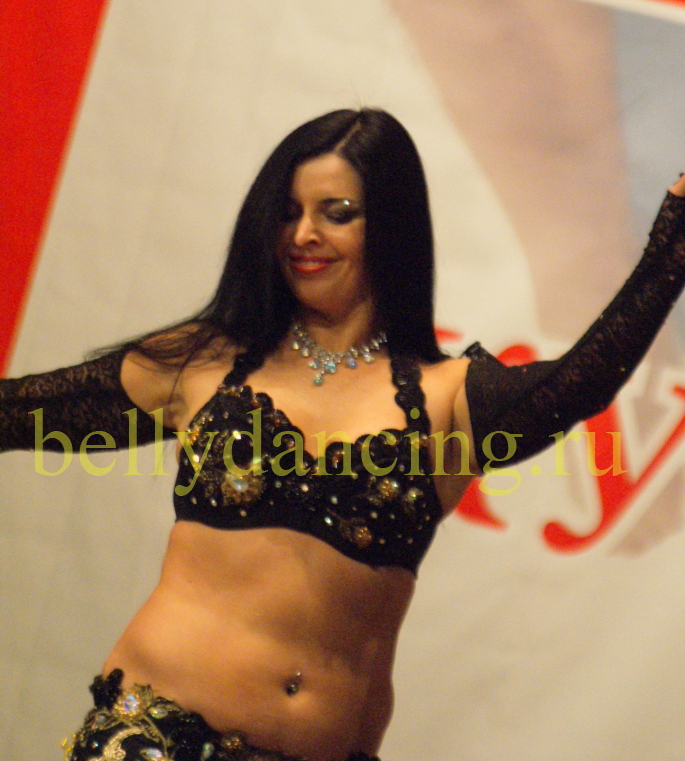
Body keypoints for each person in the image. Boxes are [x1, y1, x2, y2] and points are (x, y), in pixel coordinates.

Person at [2, 108, 685, 761]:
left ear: (391, 227)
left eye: (337, 213)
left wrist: (674, 241)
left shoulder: (445, 400)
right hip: (153, 736)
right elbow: (15, 414)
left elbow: (582, 383)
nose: (303, 234)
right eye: (288, 211)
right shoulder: (205, 363)